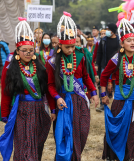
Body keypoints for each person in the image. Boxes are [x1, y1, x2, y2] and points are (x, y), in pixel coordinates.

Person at [0, 17, 56, 161]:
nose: (28, 53)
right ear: (17, 50)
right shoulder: (10, 67)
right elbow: (6, 92)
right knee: (22, 144)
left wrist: (53, 108)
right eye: (24, 50)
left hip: (38, 110)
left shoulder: (40, 67)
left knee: (35, 144)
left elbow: (46, 89)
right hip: (20, 110)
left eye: (31, 50)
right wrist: (5, 113)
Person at [47, 12, 99, 160]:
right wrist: (56, 98)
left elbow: (86, 77)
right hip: (62, 102)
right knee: (63, 136)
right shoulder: (52, 62)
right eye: (67, 47)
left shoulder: (80, 56)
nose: (71, 50)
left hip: (79, 101)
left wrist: (94, 93)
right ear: (59, 44)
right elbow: (50, 85)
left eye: (73, 46)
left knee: (81, 132)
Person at [101, 18, 134, 161]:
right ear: (122, 43)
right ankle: (116, 155)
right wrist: (104, 94)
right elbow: (104, 76)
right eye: (129, 40)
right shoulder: (116, 59)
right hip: (120, 102)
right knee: (119, 131)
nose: (132, 43)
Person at [96, 23, 120, 112]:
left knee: (114, 84)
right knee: (103, 84)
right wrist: (97, 64)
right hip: (104, 65)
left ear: (113, 31)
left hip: (116, 65)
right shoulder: (103, 40)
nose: (107, 31)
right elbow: (99, 53)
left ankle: (115, 103)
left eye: (108, 29)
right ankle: (102, 104)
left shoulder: (119, 40)